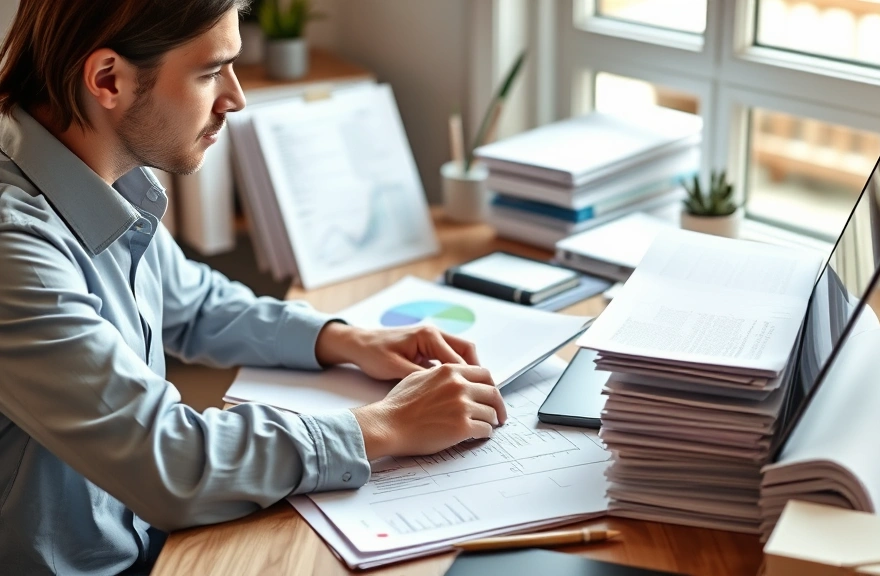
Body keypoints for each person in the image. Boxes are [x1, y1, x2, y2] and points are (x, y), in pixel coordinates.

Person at [0, 1, 507, 573]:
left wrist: (343, 339)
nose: (236, 98)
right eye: (211, 71)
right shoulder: (16, 248)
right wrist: (383, 425)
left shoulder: (96, 169)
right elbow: (168, 462)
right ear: (108, 80)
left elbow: (193, 304)